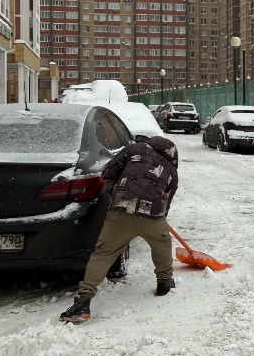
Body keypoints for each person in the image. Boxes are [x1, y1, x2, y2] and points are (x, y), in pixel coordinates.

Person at [60, 136, 180, 323]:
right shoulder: (172, 171)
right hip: (153, 215)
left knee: (103, 253)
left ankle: (82, 303)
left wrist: (113, 190)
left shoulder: (136, 149)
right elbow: (167, 201)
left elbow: (108, 172)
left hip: (122, 210)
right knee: (162, 245)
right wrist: (159, 217)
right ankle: (164, 281)